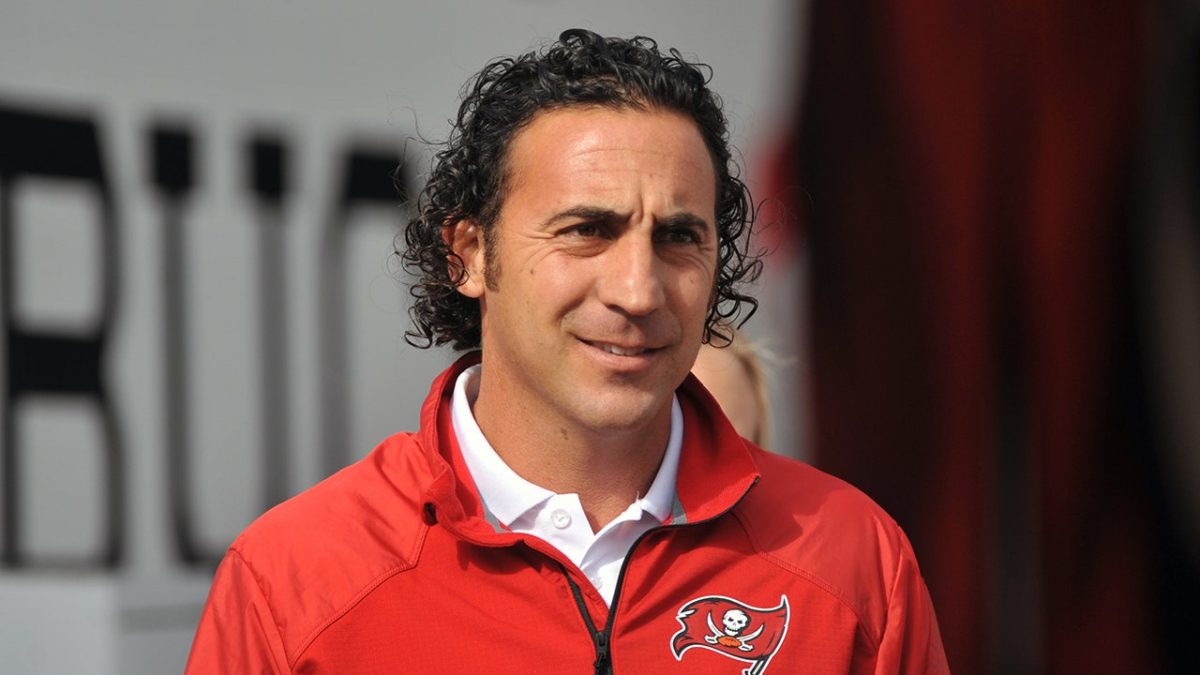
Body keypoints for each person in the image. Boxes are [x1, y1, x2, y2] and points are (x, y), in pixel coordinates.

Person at [186, 29, 948, 674]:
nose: (638, 290)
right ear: (469, 253)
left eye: (678, 236)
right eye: (588, 230)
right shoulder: (294, 583)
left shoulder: (852, 560)